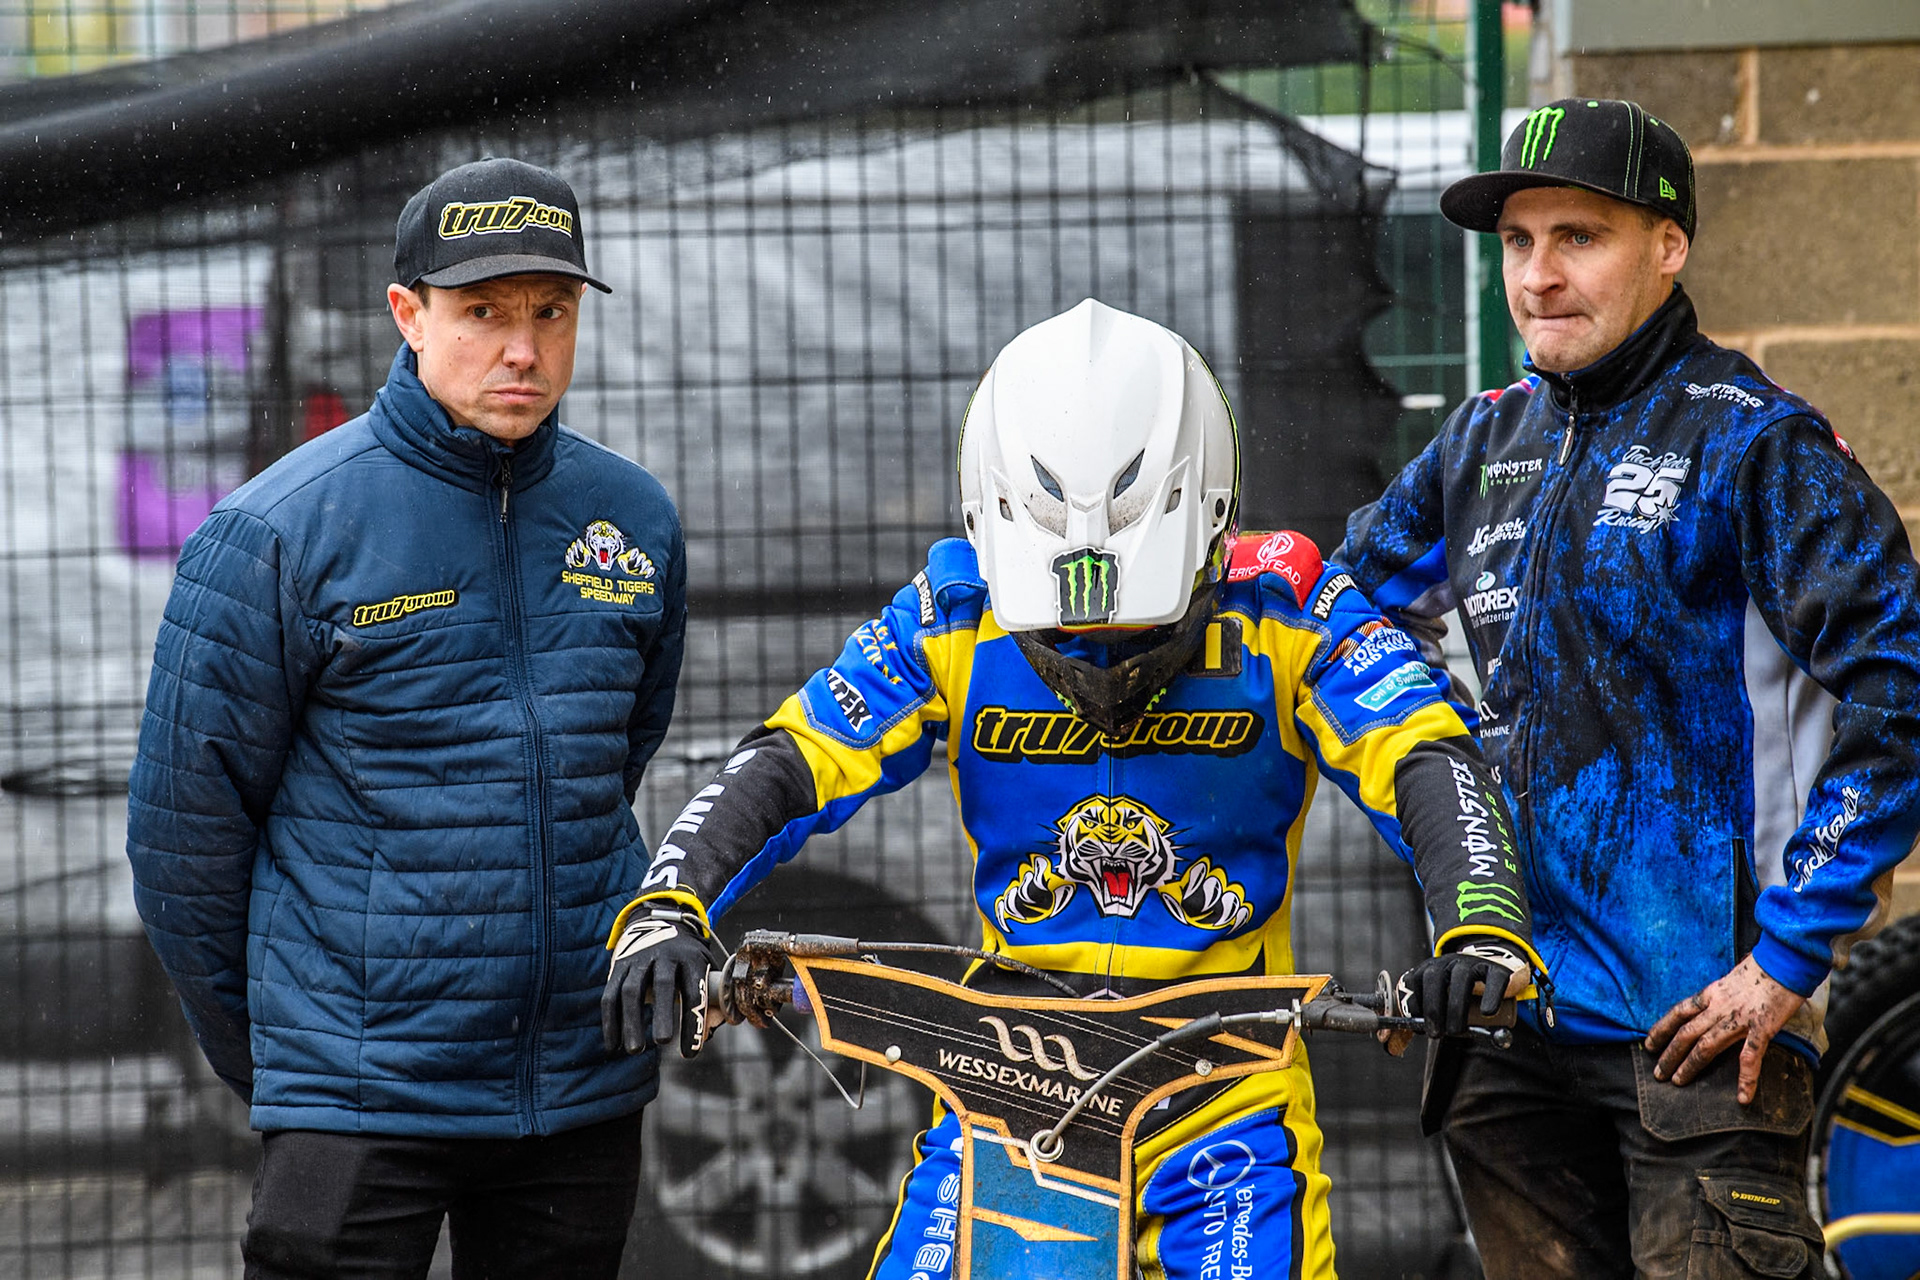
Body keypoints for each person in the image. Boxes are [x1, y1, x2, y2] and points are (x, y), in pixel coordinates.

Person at [601, 298, 1546, 1280]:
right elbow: (790, 758)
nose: (1098, 665)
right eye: (1056, 638)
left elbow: (1426, 755)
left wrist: (1479, 926)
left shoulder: (1295, 605)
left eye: (1141, 631)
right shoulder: (952, 608)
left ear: (1214, 533)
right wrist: (667, 904)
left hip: (1227, 1114)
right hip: (1006, 1101)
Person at [1334, 98, 1920, 1279]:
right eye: (1517, 242)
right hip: (1507, 1040)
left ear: (1668, 246)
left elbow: (1901, 698)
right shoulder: (1478, 444)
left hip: (1698, 1045)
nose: (1539, 276)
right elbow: (1329, 627)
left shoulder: (1758, 445)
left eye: (1579, 237)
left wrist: (1787, 960)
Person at [127, 157, 687, 1278]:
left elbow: (611, 757)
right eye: (482, 313)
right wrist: (294, 1055)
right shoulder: (277, 532)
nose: (522, 348)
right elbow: (185, 835)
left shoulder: (633, 519)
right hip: (360, 1097)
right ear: (408, 313)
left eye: (550, 311)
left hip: (576, 1090)